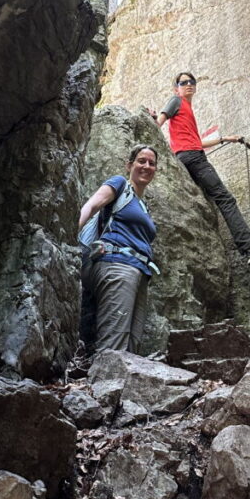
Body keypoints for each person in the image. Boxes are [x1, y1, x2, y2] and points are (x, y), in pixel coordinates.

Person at [153, 72, 250, 265]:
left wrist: (224, 139)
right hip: (193, 157)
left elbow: (195, 141)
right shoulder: (176, 100)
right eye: (183, 82)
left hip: (188, 155)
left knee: (214, 198)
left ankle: (249, 247)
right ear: (176, 88)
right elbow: (159, 122)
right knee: (225, 198)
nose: (189, 85)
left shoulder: (186, 108)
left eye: (191, 82)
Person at [78, 145, 159, 353]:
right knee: (113, 344)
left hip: (139, 272)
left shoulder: (142, 206)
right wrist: (69, 230)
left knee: (132, 346)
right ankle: (104, 384)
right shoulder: (120, 184)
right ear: (129, 165)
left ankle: (121, 385)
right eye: (141, 161)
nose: (146, 166)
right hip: (116, 266)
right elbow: (92, 206)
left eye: (151, 163)